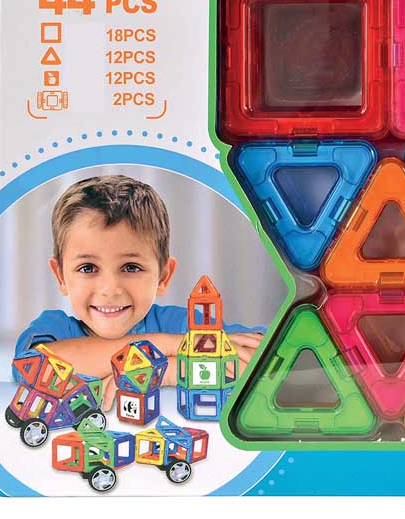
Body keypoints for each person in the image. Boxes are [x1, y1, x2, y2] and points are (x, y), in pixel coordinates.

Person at [14, 174, 264, 409]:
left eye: (131, 267)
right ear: (61, 276)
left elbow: (264, 363)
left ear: (163, 276)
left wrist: (165, 371)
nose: (110, 289)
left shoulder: (182, 324)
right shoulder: (55, 328)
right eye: (88, 268)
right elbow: (37, 369)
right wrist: (164, 348)